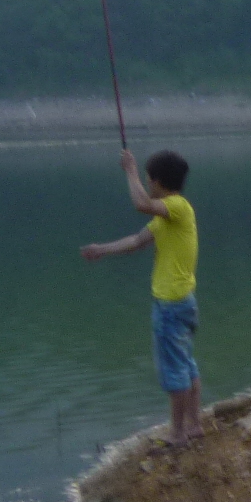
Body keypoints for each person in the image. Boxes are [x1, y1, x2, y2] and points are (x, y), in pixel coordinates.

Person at [81, 149, 203, 445]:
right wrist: (102, 249)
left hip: (171, 306)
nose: (147, 184)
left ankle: (177, 435)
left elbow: (140, 203)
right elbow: (137, 241)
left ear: (158, 181)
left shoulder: (176, 206)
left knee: (175, 373)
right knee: (186, 365)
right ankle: (194, 426)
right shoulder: (169, 216)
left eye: (148, 179)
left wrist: (130, 169)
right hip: (183, 302)